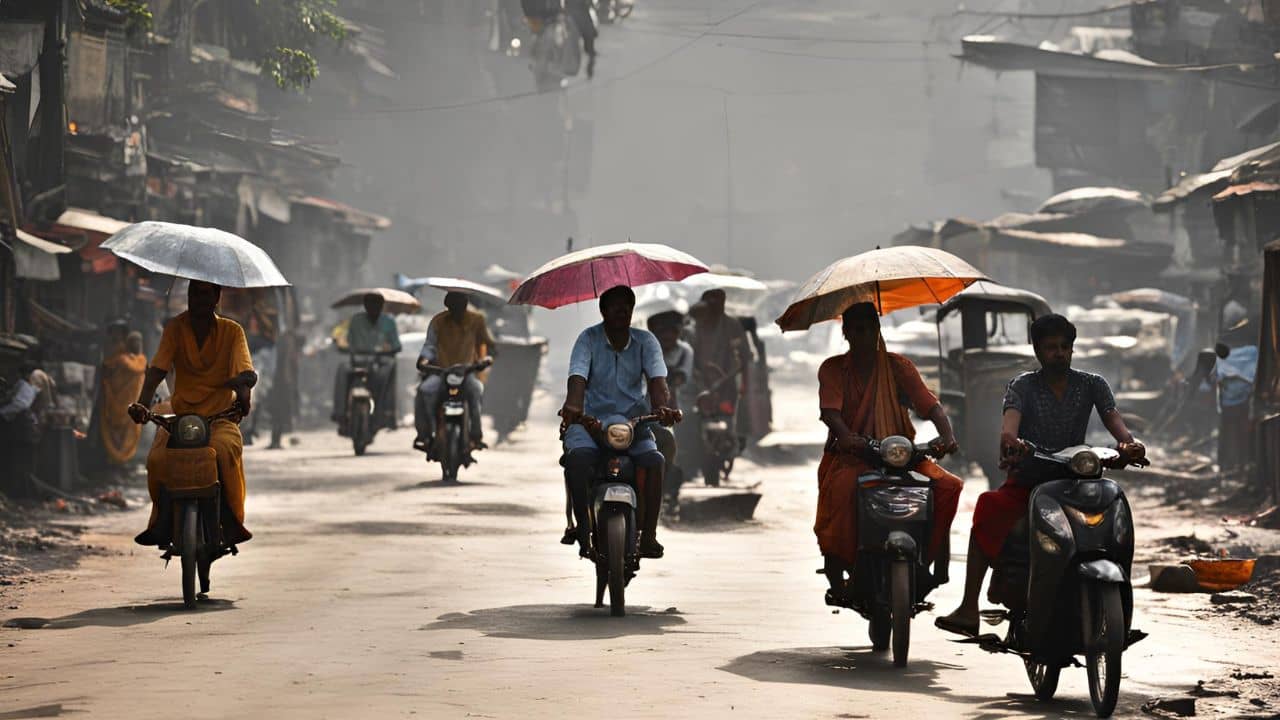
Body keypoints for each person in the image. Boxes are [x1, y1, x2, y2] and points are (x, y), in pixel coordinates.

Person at [937, 313, 1145, 636]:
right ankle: (968, 607)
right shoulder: (1022, 386)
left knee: (1116, 517)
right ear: (1037, 350)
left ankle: (1120, 608)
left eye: (1065, 346)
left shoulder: (1093, 384)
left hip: (1078, 481)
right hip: (1032, 479)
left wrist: (1130, 446)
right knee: (987, 507)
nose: (1059, 353)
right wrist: (1012, 443)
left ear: (1072, 349)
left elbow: (1115, 422)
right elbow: (1010, 427)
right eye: (1051, 347)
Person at [815, 302, 963, 607]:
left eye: (870, 328)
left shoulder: (899, 367)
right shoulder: (833, 368)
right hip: (853, 455)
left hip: (900, 453)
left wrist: (946, 435)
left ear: (878, 330)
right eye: (856, 329)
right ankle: (840, 569)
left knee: (948, 486)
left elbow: (930, 405)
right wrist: (847, 437)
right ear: (845, 332)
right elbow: (831, 412)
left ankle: (929, 560)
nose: (864, 335)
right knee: (841, 492)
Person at [129, 280, 257, 547]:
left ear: (217, 297)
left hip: (219, 418)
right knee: (157, 460)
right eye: (192, 294)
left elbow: (245, 370)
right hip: (181, 417)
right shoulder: (175, 328)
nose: (197, 300)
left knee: (224, 452)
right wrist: (141, 404)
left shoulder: (233, 331)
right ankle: (162, 519)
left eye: (203, 294)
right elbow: (157, 370)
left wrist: (243, 392)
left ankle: (231, 519)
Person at [559, 285, 679, 558]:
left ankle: (649, 535)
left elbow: (658, 382)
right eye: (615, 305)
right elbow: (577, 377)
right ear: (603, 310)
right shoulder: (587, 340)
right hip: (590, 422)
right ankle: (582, 526)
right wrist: (574, 405)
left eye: (627, 305)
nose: (621, 310)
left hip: (633, 424)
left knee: (655, 460)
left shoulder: (646, 342)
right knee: (578, 459)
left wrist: (663, 408)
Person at [415, 292, 496, 456]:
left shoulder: (476, 320)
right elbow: (429, 346)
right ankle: (426, 434)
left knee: (476, 391)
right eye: (454, 306)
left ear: (466, 305)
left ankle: (476, 435)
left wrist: (486, 359)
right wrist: (424, 360)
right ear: (448, 306)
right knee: (424, 391)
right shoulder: (438, 321)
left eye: (461, 305)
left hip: (467, 373)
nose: (458, 310)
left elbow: (489, 344)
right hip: (441, 373)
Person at [332, 293, 401, 432]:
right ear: (365, 306)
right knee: (342, 369)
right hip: (358, 360)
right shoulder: (356, 320)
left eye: (376, 305)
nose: (373, 308)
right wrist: (343, 346)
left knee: (390, 367)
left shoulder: (389, 322)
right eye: (370, 305)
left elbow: (396, 344)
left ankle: (388, 413)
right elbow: (349, 341)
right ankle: (339, 412)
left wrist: (390, 349)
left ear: (382, 306)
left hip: (380, 360)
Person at [647, 310, 694, 501]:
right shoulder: (648, 351)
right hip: (647, 407)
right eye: (662, 332)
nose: (667, 336)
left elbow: (682, 377)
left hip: (676, 406)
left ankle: (668, 491)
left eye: (671, 331)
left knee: (673, 448)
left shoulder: (684, 351)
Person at [101, 329, 147, 468]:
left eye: (139, 341)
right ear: (129, 343)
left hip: (134, 404)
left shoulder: (141, 360)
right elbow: (108, 370)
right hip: (118, 403)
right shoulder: (121, 359)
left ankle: (123, 462)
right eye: (134, 341)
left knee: (130, 434)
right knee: (116, 435)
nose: (137, 344)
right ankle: (115, 463)